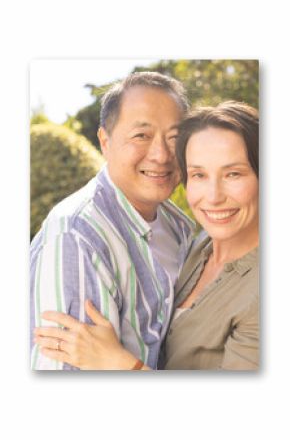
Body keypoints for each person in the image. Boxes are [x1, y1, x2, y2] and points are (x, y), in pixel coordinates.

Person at [34, 100, 259, 370]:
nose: (213, 197)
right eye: (199, 175)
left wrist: (119, 363)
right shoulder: (199, 245)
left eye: (233, 174)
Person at [30, 71, 196, 370]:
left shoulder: (178, 224)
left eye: (175, 138)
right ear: (105, 142)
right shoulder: (78, 237)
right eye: (141, 136)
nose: (161, 154)